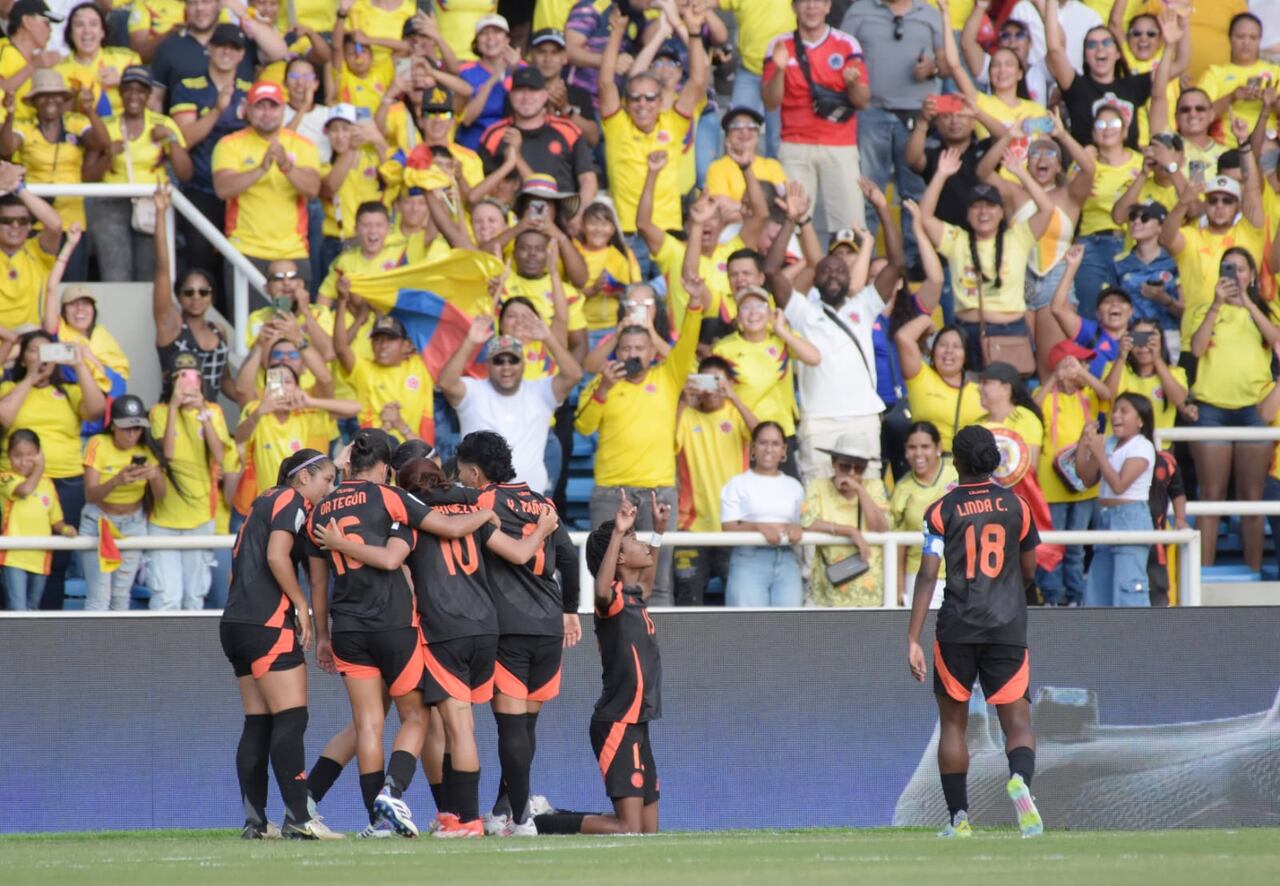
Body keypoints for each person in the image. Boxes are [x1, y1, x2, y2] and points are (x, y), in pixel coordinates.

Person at [330, 455, 558, 838]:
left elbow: (391, 562)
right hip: (486, 629)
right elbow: (519, 554)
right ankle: (455, 816)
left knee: (457, 726)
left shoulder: (412, 522)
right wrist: (543, 529)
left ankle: (466, 820)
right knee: (462, 726)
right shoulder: (472, 514)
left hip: (444, 630)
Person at [308, 429, 493, 837]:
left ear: (349, 463)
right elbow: (445, 531)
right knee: (417, 716)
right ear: (386, 467)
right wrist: (484, 513)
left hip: (346, 627)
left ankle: (378, 823)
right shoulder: (391, 497)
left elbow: (318, 584)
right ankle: (393, 792)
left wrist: (322, 634)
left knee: (368, 724)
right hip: (393, 623)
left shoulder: (319, 511)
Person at [906, 424, 1044, 839]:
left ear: (956, 460)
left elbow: (928, 576)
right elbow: (1029, 570)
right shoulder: (1017, 506)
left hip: (957, 627)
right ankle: (1019, 779)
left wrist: (912, 637)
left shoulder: (940, 510)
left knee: (953, 725)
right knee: (1017, 720)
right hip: (1006, 625)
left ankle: (959, 819)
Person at [453, 430, 575, 836]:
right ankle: (506, 809)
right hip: (547, 622)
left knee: (510, 727)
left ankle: (521, 819)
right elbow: (570, 559)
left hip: (508, 626)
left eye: (462, 472)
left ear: (474, 471)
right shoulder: (543, 502)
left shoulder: (484, 501)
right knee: (525, 728)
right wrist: (570, 610)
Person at [221, 448, 341, 840]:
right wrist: (301, 604)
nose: (330, 487)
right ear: (303, 478)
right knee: (292, 718)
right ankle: (300, 820)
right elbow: (277, 556)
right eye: (326, 479)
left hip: (236, 622)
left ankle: (256, 823)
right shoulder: (292, 500)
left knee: (259, 722)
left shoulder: (261, 503)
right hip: (266, 622)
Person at [576, 274, 706, 607]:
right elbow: (585, 427)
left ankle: (660, 647)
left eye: (640, 348)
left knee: (658, 581)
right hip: (610, 492)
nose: (633, 354)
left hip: (657, 493)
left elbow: (688, 343)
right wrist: (603, 389)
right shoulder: (603, 382)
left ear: (653, 351)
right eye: (627, 348)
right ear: (617, 350)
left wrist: (694, 305)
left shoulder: (668, 376)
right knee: (605, 578)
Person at [765, 180, 901, 482]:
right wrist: (791, 220)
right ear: (815, 279)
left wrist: (882, 208)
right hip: (818, 419)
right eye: (826, 270)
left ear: (851, 276)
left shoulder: (864, 305)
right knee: (817, 495)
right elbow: (772, 272)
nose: (834, 275)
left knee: (869, 492)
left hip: (863, 416)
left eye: (841, 270)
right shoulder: (803, 311)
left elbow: (896, 263)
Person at [1186, 247, 1280, 570]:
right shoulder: (1206, 309)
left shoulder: (1266, 310)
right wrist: (1216, 305)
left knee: (1251, 499)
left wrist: (1249, 303)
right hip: (1211, 408)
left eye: (1242, 269)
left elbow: (1277, 341)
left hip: (1255, 408)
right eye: (1229, 268)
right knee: (1210, 497)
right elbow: (1197, 348)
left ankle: (1253, 575)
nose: (1236, 275)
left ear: (1252, 275)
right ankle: (1203, 578)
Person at [0, 331, 105, 608]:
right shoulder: (9, 388)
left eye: (49, 351)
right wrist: (30, 378)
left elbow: (96, 410)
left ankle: (48, 626)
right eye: (35, 350)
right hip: (16, 484)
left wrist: (80, 364)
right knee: (10, 556)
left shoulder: (69, 392)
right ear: (23, 356)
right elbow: (4, 416)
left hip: (65, 483)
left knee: (57, 557)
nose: (42, 357)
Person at [597, 4, 708, 266]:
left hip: (667, 232)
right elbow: (605, 83)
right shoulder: (617, 125)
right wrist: (617, 34)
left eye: (650, 98)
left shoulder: (673, 123)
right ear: (627, 102)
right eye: (635, 98)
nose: (642, 104)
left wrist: (693, 33)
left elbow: (698, 83)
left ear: (660, 101)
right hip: (626, 233)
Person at [841, 0, 947, 260]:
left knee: (915, 195)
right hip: (871, 112)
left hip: (917, 114)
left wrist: (932, 67)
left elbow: (946, 66)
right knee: (867, 192)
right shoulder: (858, 11)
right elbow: (841, 57)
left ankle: (915, 264)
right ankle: (862, 261)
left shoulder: (929, 13)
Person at [438, 316, 583, 496]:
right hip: (478, 499)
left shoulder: (540, 390)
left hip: (529, 499)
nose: (506, 367)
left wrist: (548, 338)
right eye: (498, 361)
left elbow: (574, 375)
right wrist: (470, 342)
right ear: (488, 365)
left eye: (513, 360)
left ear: (523, 364)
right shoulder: (473, 390)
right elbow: (446, 382)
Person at [763, 0, 870, 243]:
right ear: (793, 7)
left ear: (828, 7)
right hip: (794, 144)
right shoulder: (779, 45)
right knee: (792, 227)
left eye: (818, 1)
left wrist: (852, 83)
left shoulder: (846, 43)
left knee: (850, 228)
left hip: (840, 144)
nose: (811, 7)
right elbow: (770, 102)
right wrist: (779, 69)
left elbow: (862, 101)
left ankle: (850, 280)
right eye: (804, 2)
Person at [212, 80, 322, 292]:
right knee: (248, 324)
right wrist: (261, 169)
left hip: (293, 251)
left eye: (273, 106)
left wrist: (286, 167)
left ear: (283, 109)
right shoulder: (229, 144)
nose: (267, 113)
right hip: (244, 250)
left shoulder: (304, 144)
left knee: (292, 323)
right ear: (248, 111)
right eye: (260, 106)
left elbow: (312, 189)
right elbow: (222, 189)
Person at [148, 352, 238, 610]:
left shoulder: (214, 412)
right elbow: (167, 453)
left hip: (201, 515)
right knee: (167, 597)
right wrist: (175, 407)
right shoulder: (159, 412)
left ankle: (186, 651)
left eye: (193, 377)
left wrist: (202, 410)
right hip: (164, 518)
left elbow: (220, 454)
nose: (189, 384)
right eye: (182, 378)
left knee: (194, 597)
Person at [1, 68, 107, 282]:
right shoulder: (25, 126)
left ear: (63, 99)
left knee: (71, 285)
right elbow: (6, 148)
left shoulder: (76, 122)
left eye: (55, 95)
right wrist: (10, 115)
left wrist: (89, 111)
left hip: (72, 221)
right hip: (35, 222)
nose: (50, 100)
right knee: (36, 283)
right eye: (43, 95)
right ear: (35, 101)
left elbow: (103, 143)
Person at [87, 65, 191, 282]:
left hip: (151, 204)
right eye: (128, 90)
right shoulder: (106, 125)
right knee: (115, 275)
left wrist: (171, 138)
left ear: (149, 95)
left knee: (150, 276)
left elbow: (185, 174)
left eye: (141, 91)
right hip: (110, 205)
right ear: (120, 92)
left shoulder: (164, 123)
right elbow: (87, 177)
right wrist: (108, 156)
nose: (134, 96)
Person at [169, 23, 251, 287]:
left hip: (240, 192)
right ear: (209, 48)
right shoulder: (188, 87)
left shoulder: (251, 93)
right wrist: (217, 111)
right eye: (221, 45)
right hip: (200, 189)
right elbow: (184, 139)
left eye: (234, 47)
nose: (227, 52)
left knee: (237, 261)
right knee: (201, 259)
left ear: (241, 55)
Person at [673, 354, 758, 606]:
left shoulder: (736, 414)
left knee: (739, 601)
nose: (712, 388)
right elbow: (667, 443)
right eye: (706, 380)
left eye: (717, 380)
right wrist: (682, 401)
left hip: (734, 525)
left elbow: (763, 435)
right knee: (687, 597)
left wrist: (733, 397)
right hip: (691, 526)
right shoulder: (686, 415)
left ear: (729, 382)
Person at [710, 285, 820, 476]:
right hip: (740, 436)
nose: (753, 312)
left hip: (780, 434)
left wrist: (781, 329)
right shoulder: (723, 348)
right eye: (745, 307)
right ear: (737, 316)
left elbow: (814, 358)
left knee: (786, 495)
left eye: (760, 306)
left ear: (771, 313)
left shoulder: (781, 340)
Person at [476, 66, 597, 228]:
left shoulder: (568, 130)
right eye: (519, 91)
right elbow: (481, 185)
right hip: (509, 222)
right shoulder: (494, 135)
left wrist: (579, 213)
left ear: (545, 95)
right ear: (510, 96)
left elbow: (588, 179)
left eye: (533, 91)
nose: (526, 97)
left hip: (561, 221)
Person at [79, 395, 167, 612]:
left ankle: (116, 646)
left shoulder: (147, 448)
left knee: (121, 595)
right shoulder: (98, 443)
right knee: (99, 595)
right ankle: (92, 646)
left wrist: (155, 475)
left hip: (133, 523)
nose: (132, 434)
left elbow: (161, 496)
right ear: (113, 427)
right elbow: (90, 494)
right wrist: (117, 480)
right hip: (99, 521)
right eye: (126, 428)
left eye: (137, 428)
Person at [1033, 339, 1104, 606]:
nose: (1084, 368)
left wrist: (1083, 374)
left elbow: (1107, 393)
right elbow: (1031, 411)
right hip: (1052, 488)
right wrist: (1054, 378)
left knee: (1075, 550)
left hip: (1085, 487)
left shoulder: (1088, 396)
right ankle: (1054, 597)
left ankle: (1076, 598)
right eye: (1077, 363)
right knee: (1051, 547)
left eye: (1084, 364)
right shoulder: (1045, 392)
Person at [151, 185, 236, 401]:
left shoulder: (219, 330)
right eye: (188, 292)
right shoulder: (171, 324)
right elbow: (162, 269)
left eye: (203, 292)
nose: (196, 297)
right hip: (175, 418)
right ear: (178, 296)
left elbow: (223, 380)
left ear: (211, 297)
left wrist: (252, 400)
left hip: (210, 420)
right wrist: (161, 213)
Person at [1075, 392, 1157, 607]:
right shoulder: (1110, 443)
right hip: (1106, 519)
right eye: (1115, 411)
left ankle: (1136, 638)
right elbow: (1086, 478)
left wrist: (1100, 454)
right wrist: (1084, 444)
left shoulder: (1143, 446)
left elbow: (1120, 486)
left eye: (1124, 411)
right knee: (1097, 592)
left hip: (1131, 518)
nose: (1116, 416)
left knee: (1128, 590)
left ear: (1141, 420)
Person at [719, 421, 806, 607]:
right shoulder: (737, 483)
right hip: (748, 560)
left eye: (775, 444)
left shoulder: (795, 486)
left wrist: (797, 527)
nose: (769, 449)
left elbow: (801, 524)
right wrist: (758, 527)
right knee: (750, 629)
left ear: (784, 450)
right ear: (753, 448)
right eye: (763, 443)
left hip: (787, 560)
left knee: (788, 629)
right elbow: (728, 527)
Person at [799, 432, 891, 608]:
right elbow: (807, 523)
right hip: (829, 587)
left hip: (869, 588)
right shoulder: (818, 485)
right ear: (833, 463)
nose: (851, 473)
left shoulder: (874, 486)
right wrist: (850, 531)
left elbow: (881, 528)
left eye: (859, 468)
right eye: (845, 466)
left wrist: (860, 490)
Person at [333, 303, 435, 444]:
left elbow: (435, 334)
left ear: (407, 345)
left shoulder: (420, 365)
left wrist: (399, 424)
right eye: (377, 340)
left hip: (415, 455)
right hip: (375, 455)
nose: (383, 345)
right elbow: (340, 350)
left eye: (390, 339)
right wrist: (343, 300)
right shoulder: (364, 370)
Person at [0, 430, 75, 610]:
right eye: (17, 455)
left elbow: (56, 521)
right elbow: (25, 490)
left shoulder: (48, 485)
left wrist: (66, 530)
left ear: (38, 453)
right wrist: (40, 467)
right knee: (18, 609)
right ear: (9, 456)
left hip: (40, 557)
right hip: (13, 557)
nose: (23, 461)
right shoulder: (5, 478)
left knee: (33, 610)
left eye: (30, 455)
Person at [890, 421, 957, 608]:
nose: (918, 453)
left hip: (961, 572)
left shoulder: (957, 474)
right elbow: (899, 545)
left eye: (925, 446)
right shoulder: (902, 488)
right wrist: (899, 588)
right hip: (918, 574)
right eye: (912, 447)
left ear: (938, 447)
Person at [1107, 200, 1182, 359]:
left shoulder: (1176, 262)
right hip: (1132, 334)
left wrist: (1164, 299)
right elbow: (1110, 305)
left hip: (1168, 334)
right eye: (1133, 217)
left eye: (1145, 217)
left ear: (1161, 226)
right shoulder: (1119, 263)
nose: (1136, 222)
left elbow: (1186, 311)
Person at [1102, 317, 1189, 444]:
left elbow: (1179, 399)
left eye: (1150, 339)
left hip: (1159, 448)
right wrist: (1121, 357)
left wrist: (1157, 359)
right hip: (1116, 447)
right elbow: (1106, 395)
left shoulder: (1174, 372)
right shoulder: (1114, 367)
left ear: (1161, 342)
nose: (1143, 347)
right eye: (1137, 339)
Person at [0, 162, 65, 332]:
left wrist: (17, 188)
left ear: (30, 225)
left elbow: (55, 225)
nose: (15, 226)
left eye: (22, 221)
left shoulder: (37, 250)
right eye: (6, 221)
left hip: (30, 344)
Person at [457, 14, 522, 150]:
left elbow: (529, 110)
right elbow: (466, 119)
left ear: (507, 39)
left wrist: (517, 73)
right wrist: (492, 80)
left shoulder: (522, 67)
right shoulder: (465, 72)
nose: (490, 38)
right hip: (475, 144)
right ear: (476, 42)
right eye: (484, 33)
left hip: (514, 141)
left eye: (497, 32)